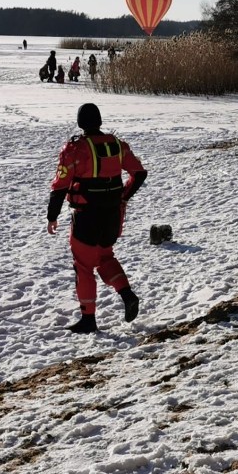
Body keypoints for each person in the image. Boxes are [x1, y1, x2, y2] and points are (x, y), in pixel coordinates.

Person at [47, 103, 148, 334]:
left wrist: (52, 217)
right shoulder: (117, 145)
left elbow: (60, 186)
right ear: (99, 121)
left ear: (81, 123)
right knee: (104, 256)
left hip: (87, 218)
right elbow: (139, 173)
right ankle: (127, 294)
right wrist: (123, 197)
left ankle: (88, 319)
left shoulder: (74, 150)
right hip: (112, 217)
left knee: (83, 266)